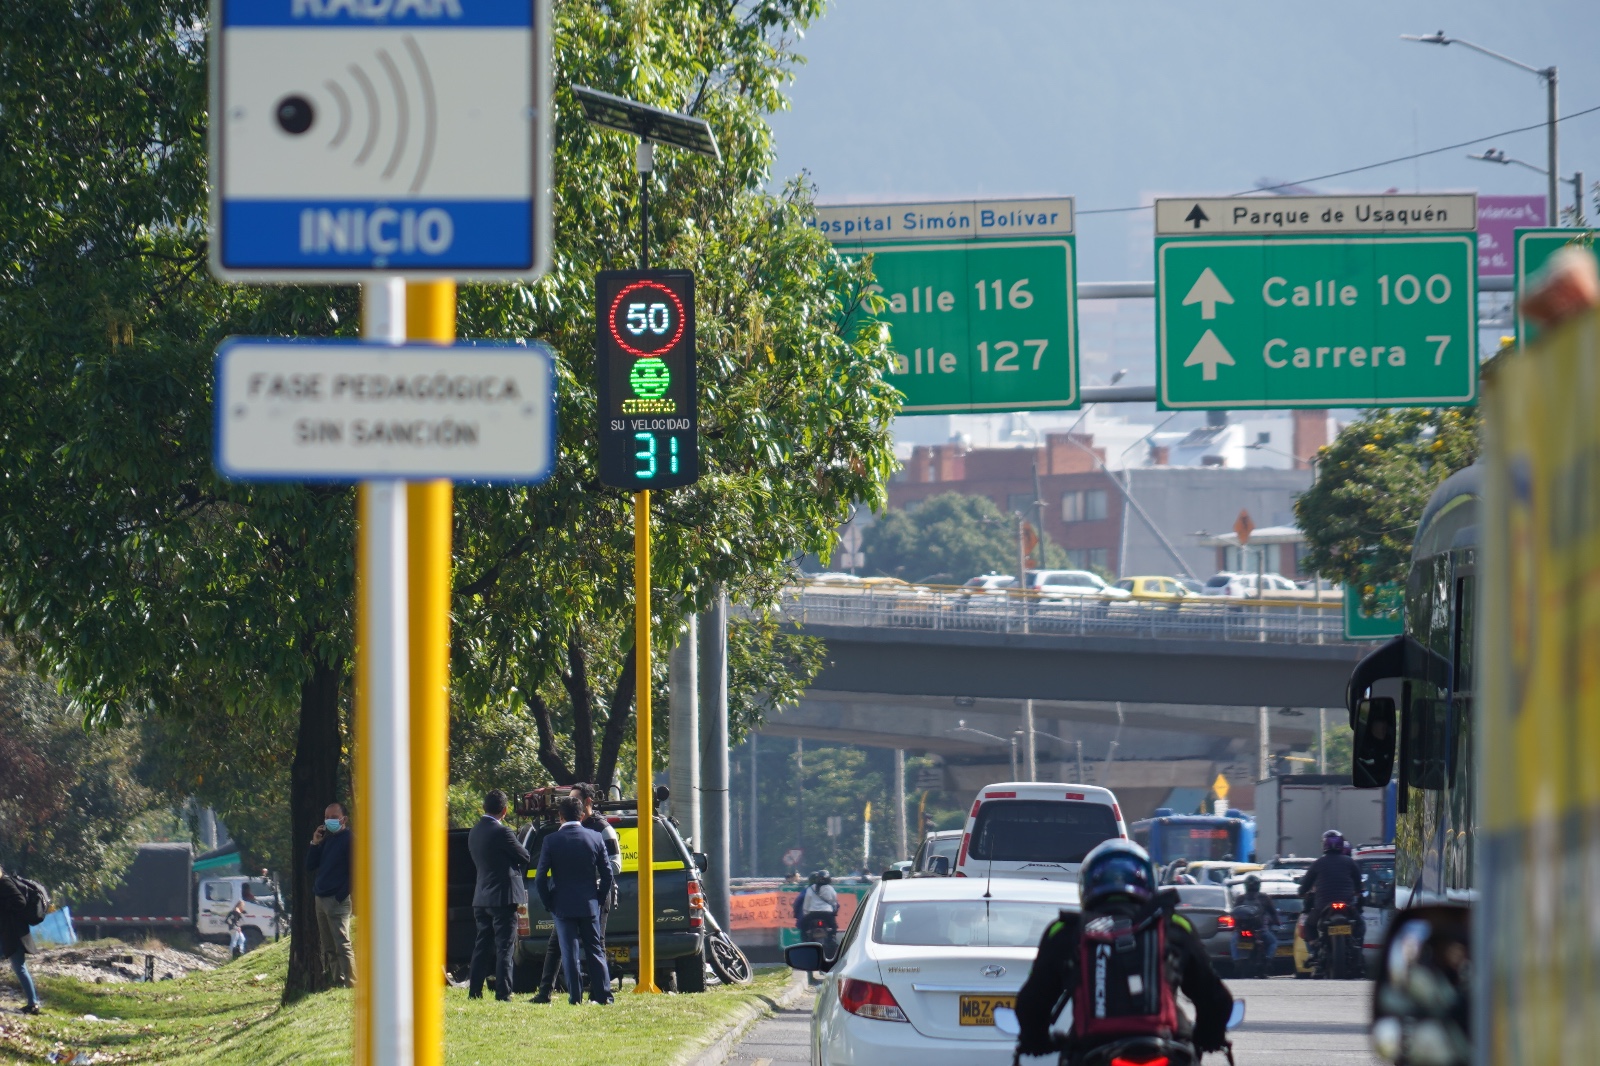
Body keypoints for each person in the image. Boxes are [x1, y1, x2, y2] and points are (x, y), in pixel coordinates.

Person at [1014, 840, 1233, 1064]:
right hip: (1163, 1050)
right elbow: (1215, 998)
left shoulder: (1066, 930)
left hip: (1092, 1053)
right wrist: (1210, 1036)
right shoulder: (1173, 925)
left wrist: (1035, 1039)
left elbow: (1032, 1002)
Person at [533, 784, 622, 1004]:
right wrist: (599, 898)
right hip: (589, 903)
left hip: (562, 904)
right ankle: (604, 996)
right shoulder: (595, 837)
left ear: (560, 816)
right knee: (595, 950)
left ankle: (575, 997)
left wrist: (549, 902)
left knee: (569, 951)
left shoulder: (551, 840)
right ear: (581, 815)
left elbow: (540, 877)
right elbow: (608, 873)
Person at [467, 789, 532, 1002]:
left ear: (484, 807)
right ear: (504, 810)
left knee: (481, 946)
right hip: (503, 897)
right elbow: (524, 856)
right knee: (505, 946)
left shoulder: (474, 831)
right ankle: (503, 993)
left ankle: (474, 990)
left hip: (482, 896)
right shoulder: (503, 832)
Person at [305, 801, 355, 987]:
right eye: (326, 818)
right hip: (320, 898)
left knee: (342, 944)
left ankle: (352, 982)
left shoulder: (350, 839)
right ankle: (337, 981)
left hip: (337, 900)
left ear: (344, 819)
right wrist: (315, 843)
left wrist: (340, 895)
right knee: (329, 947)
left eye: (333, 817)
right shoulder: (327, 839)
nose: (329, 821)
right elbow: (310, 866)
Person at [1299, 829, 1365, 968]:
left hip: (1323, 906)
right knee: (1360, 925)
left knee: (1309, 926)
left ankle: (1315, 949)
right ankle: (1356, 946)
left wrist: (1302, 892)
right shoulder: (1349, 862)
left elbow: (1305, 886)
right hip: (1347, 905)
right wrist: (1358, 892)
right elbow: (1359, 884)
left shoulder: (1318, 863)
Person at [0, 864, 42, 1015]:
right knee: (20, 968)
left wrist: (3, 905)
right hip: (7, 933)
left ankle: (34, 1003)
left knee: (20, 968)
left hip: (14, 934)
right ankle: (33, 1003)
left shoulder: (4, 883)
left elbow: (20, 902)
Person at [1229, 875, 1281, 974]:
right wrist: (1277, 922)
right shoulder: (1264, 898)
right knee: (1273, 942)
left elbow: (1234, 913)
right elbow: (1273, 912)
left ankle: (1236, 960)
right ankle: (1268, 959)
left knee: (1233, 941)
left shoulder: (1240, 898)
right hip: (1260, 929)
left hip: (1242, 930)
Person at [793, 870, 839, 952]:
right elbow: (834, 902)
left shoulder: (810, 889)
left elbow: (806, 903)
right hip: (827, 913)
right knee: (834, 927)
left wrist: (806, 913)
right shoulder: (830, 889)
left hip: (813, 913)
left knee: (803, 926)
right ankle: (832, 939)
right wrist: (834, 912)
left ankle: (804, 942)